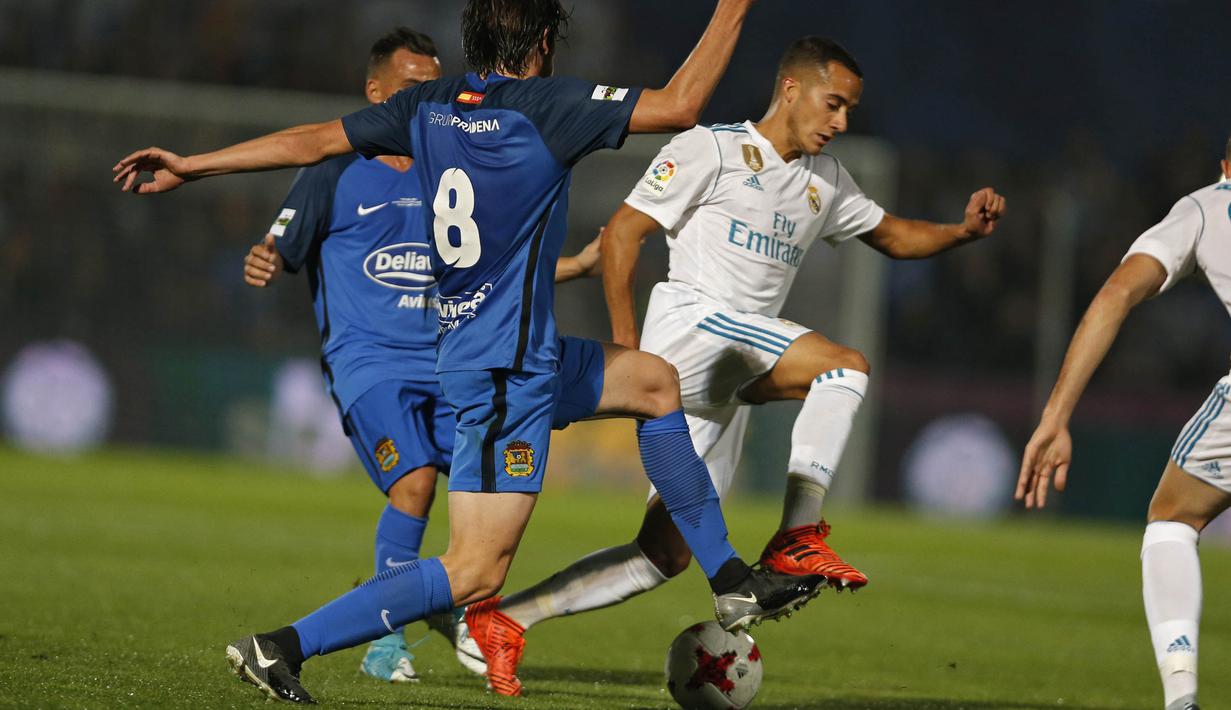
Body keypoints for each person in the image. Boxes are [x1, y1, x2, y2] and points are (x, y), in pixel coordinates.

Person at [113, 1, 823, 703]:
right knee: (474, 571)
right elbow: (679, 104)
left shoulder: (427, 104)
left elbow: (310, 142)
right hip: (504, 372)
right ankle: (281, 646)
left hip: (510, 353)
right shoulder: (546, 105)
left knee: (650, 382)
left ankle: (731, 579)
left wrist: (193, 165)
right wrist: (731, 10)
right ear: (543, 41)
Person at [463, 35, 1008, 695]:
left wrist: (960, 232)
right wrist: (630, 351)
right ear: (790, 90)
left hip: (727, 375)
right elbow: (626, 233)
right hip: (692, 328)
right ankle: (796, 536)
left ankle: (503, 621)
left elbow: (891, 234)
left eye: (849, 111)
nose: (841, 122)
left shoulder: (825, 179)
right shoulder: (712, 149)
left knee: (663, 553)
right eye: (833, 104)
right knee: (843, 367)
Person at [241, 26, 601, 684]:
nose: (428, 96)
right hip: (369, 365)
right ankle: (386, 643)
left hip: (447, 360)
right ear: (376, 93)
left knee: (482, 517)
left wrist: (577, 264)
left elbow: (488, 270)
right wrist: (267, 254)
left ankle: (430, 598)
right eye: (412, 87)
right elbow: (282, 244)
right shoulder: (334, 171)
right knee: (414, 483)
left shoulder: (449, 165)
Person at [1017, 141, 1231, 710]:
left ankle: (1181, 696)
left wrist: (1056, 416)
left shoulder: (1207, 207)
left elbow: (1116, 292)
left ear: (1226, 167)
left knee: (1173, 517)